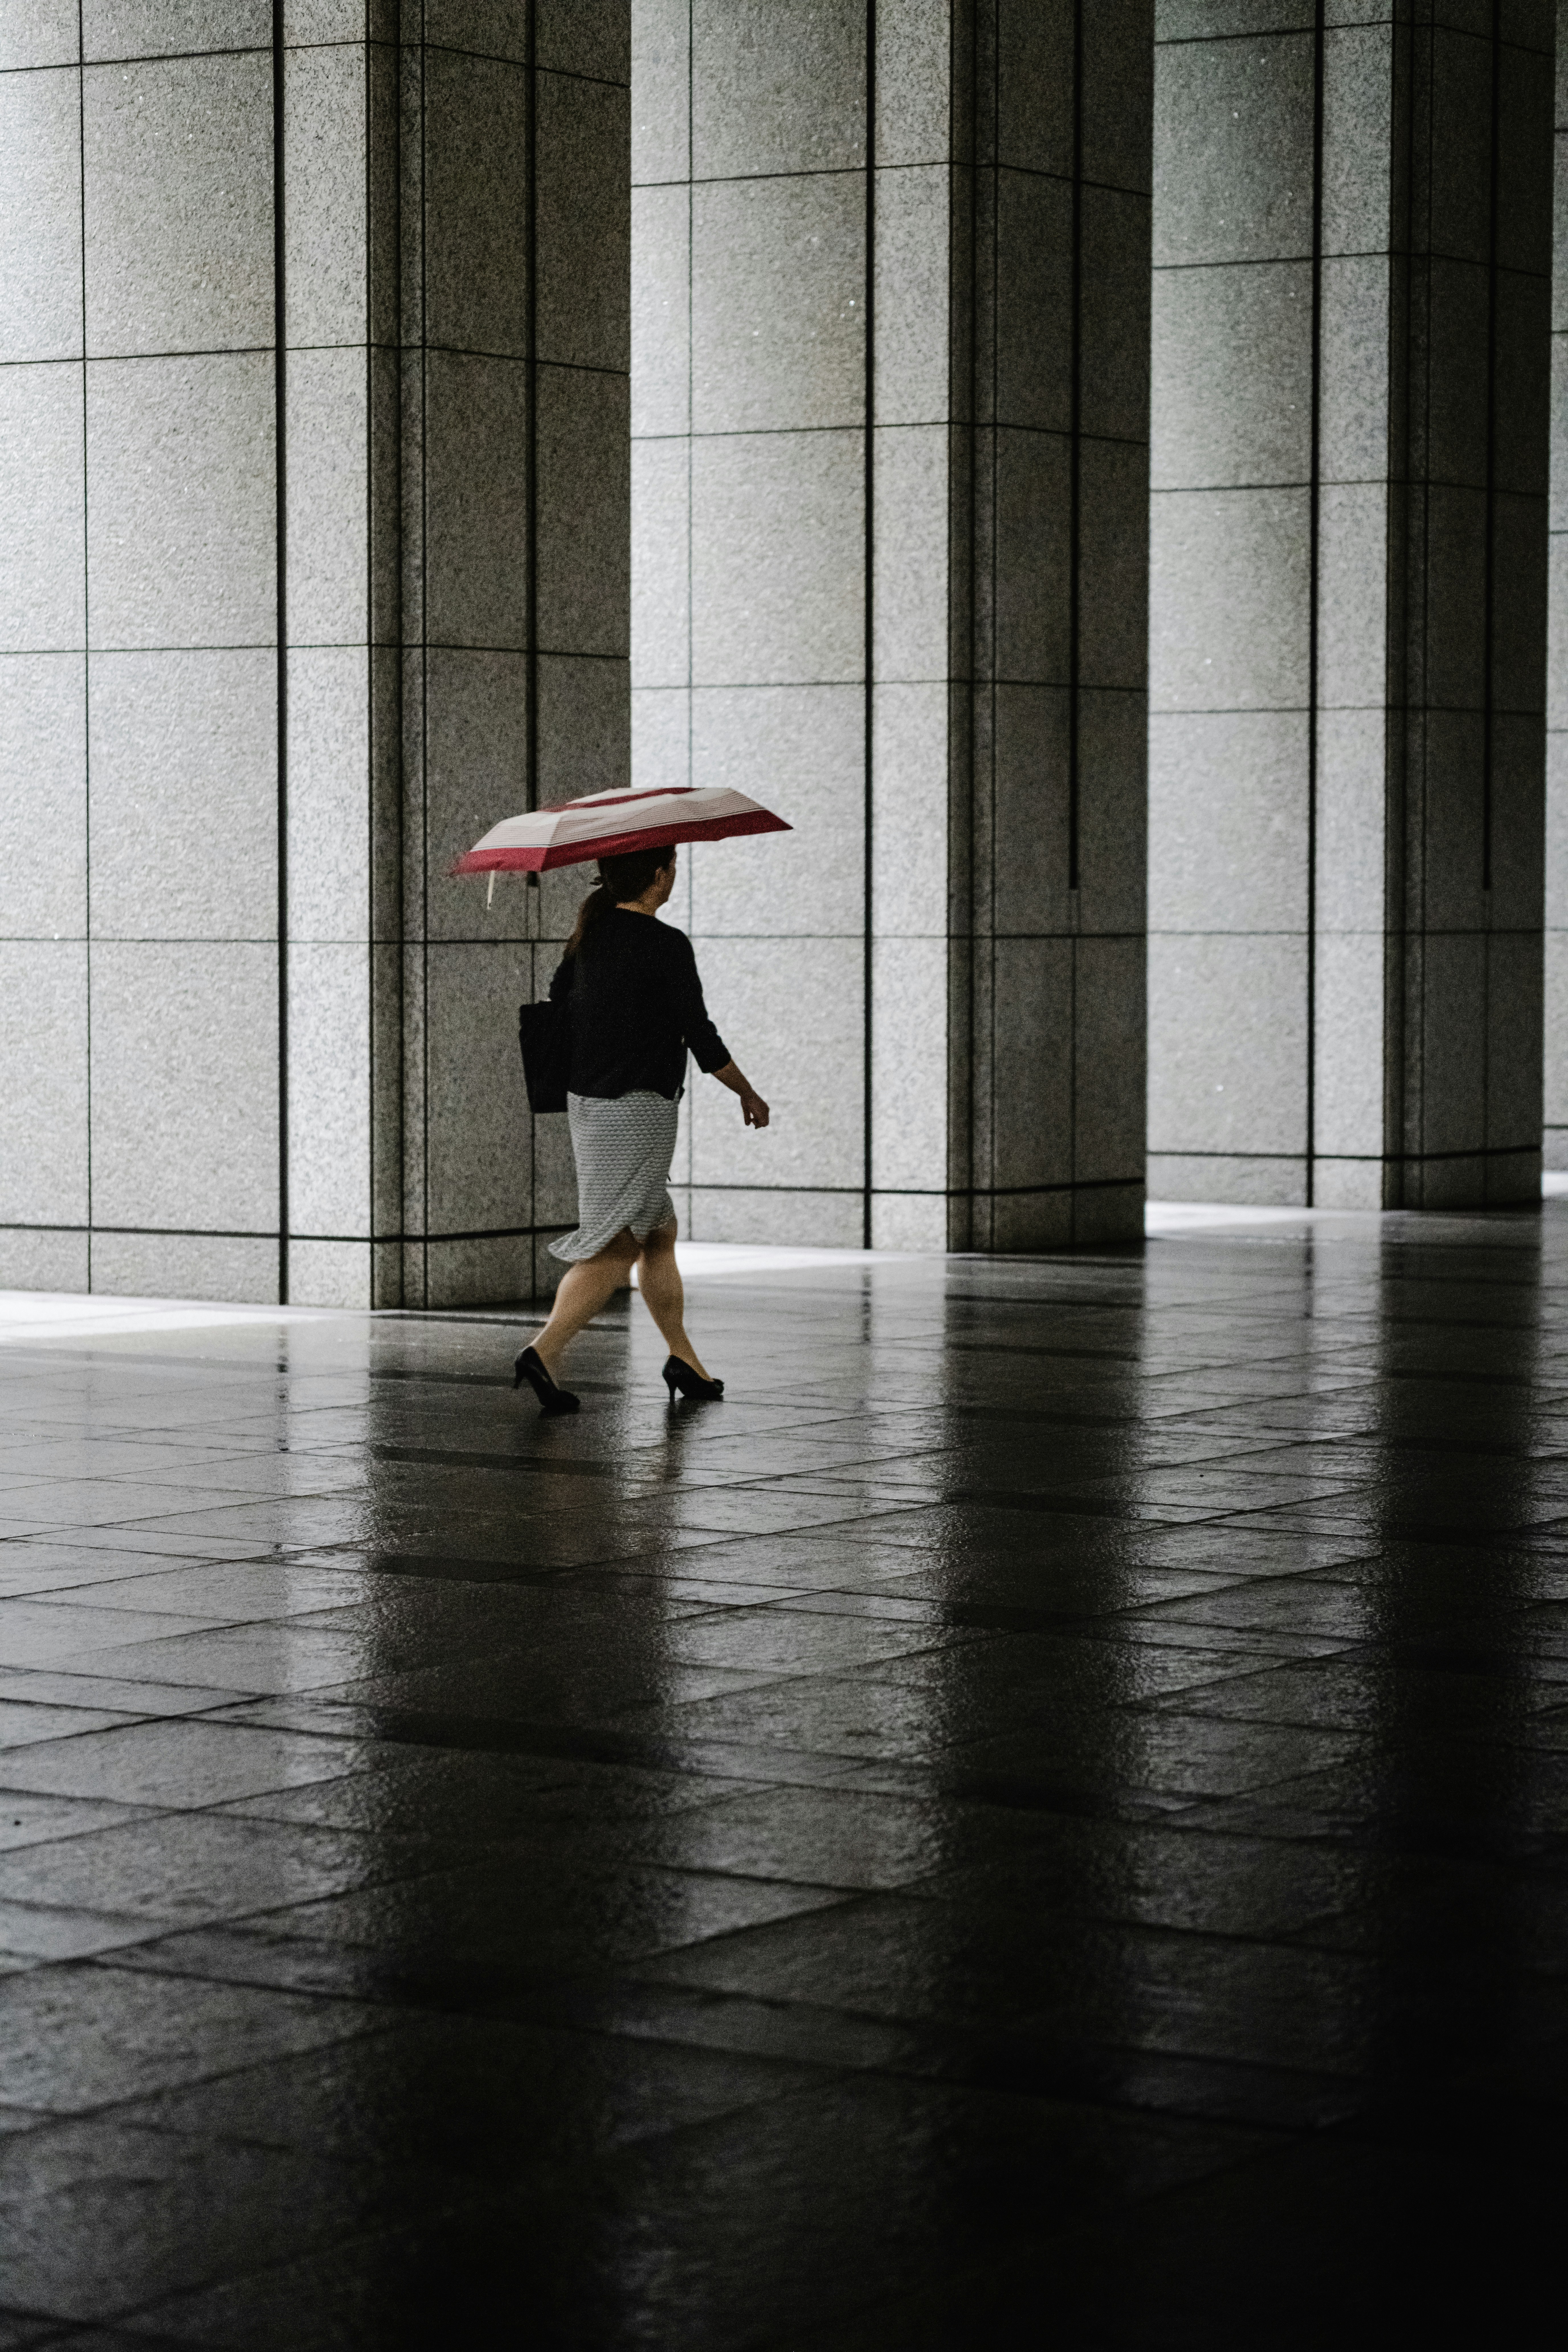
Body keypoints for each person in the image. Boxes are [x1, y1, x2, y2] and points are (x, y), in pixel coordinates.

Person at [513, 842, 769, 1416]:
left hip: (591, 1102)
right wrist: (746, 1092)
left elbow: (562, 1005)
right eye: (672, 865)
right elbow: (698, 1032)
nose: (674, 873)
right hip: (639, 1108)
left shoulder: (590, 937)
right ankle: (543, 1349)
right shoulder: (664, 944)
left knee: (657, 1230)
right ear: (658, 875)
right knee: (618, 1242)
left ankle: (684, 1359)